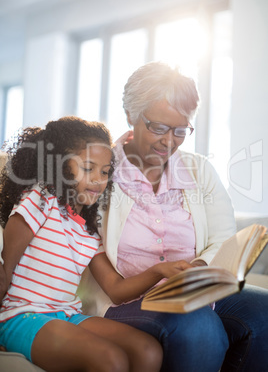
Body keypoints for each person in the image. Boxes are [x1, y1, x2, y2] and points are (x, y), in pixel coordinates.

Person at [81, 62, 268, 372]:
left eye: (180, 131)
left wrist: (197, 269)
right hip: (126, 301)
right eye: (158, 127)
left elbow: (222, 238)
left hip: (197, 294)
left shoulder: (200, 170)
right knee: (196, 324)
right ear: (131, 115)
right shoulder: (101, 171)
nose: (169, 141)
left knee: (262, 309)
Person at [0, 115, 173, 372]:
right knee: (110, 360)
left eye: (104, 172)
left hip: (66, 314)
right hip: (21, 315)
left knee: (148, 351)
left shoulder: (88, 232)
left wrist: (159, 271)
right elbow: (5, 269)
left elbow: (116, 288)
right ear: (59, 165)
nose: (98, 180)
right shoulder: (39, 200)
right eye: (88, 168)